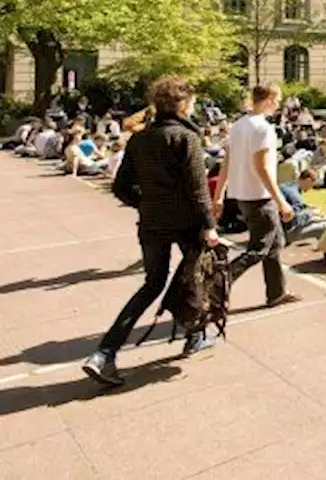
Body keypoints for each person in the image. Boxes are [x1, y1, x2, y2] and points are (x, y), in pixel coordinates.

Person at [82, 77, 221, 387]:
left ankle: (105, 352)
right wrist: (210, 226)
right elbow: (199, 192)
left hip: (152, 222)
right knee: (196, 278)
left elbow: (120, 186)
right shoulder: (186, 138)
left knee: (152, 284)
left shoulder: (140, 139)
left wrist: (146, 203)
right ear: (183, 105)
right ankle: (195, 333)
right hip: (187, 223)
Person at [213, 85, 301, 308]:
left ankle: (276, 292)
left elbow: (227, 162)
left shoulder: (238, 126)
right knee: (258, 249)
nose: (279, 104)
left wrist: (219, 196)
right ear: (269, 99)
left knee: (274, 243)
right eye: (277, 100)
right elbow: (262, 168)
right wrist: (282, 202)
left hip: (242, 195)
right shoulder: (263, 128)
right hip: (259, 196)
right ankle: (218, 283)